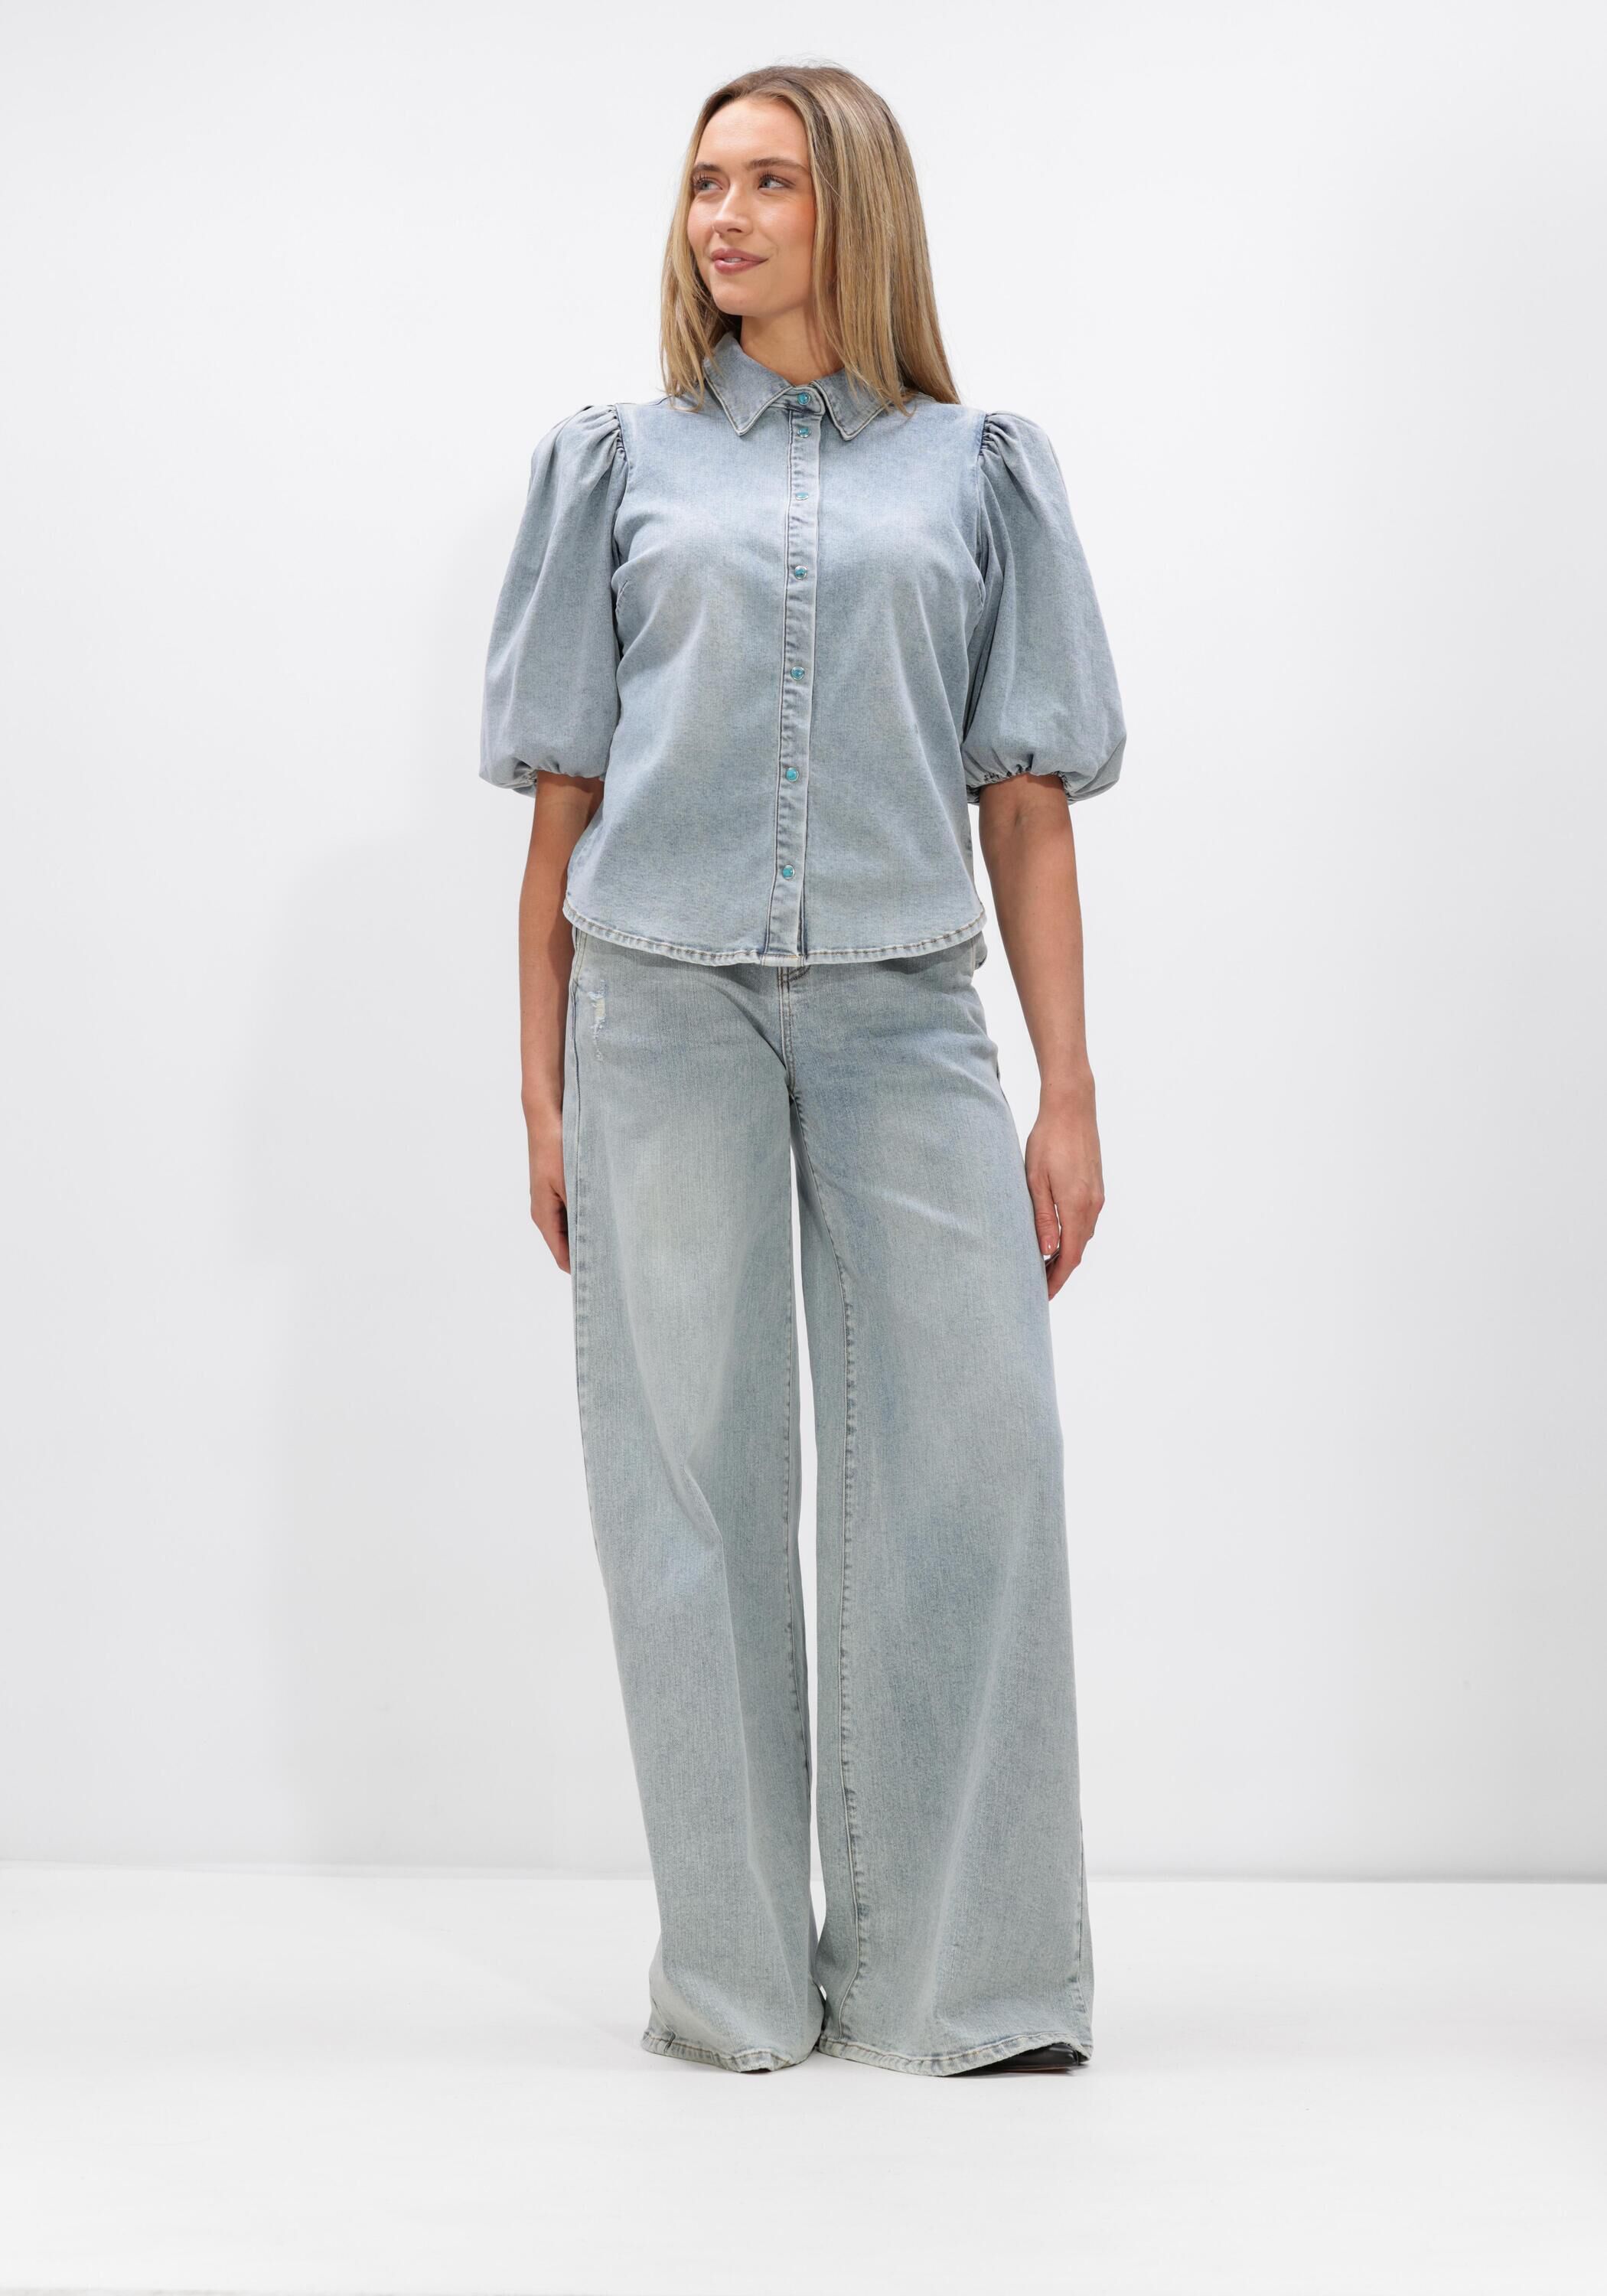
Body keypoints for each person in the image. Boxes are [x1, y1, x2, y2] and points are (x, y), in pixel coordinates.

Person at [478, 61, 1126, 2078]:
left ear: (856, 206)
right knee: (689, 1481)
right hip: (656, 1011)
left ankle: (967, 1986)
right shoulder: (617, 465)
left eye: (768, 181)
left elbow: (1025, 804)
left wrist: (1068, 1089)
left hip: (907, 1008)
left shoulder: (977, 471)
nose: (725, 218)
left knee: (978, 1465)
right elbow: (564, 806)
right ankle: (739, 1986)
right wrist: (539, 1091)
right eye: (705, 183)